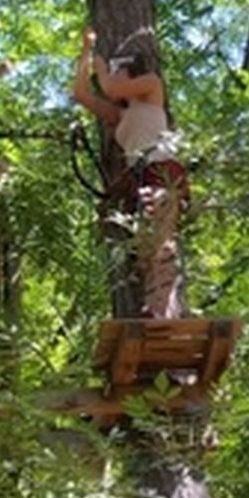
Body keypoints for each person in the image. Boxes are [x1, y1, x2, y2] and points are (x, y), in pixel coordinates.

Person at [73, 28, 188, 317]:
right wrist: (87, 52)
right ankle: (159, 308)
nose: (112, 77)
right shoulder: (120, 115)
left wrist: (101, 69)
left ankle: (166, 312)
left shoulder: (152, 87)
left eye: (117, 71)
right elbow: (81, 93)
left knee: (160, 239)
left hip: (162, 169)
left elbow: (109, 88)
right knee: (147, 246)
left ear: (130, 72)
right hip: (141, 178)